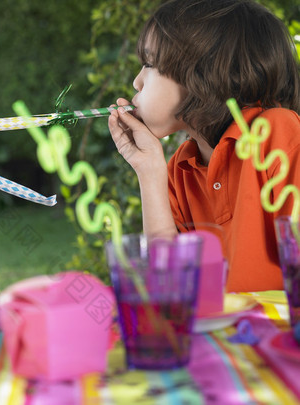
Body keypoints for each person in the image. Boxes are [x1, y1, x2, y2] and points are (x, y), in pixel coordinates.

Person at [108, 0, 300, 292]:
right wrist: (148, 171)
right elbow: (172, 286)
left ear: (202, 74)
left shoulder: (276, 134)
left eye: (149, 64)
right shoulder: (181, 169)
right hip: (226, 336)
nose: (137, 82)